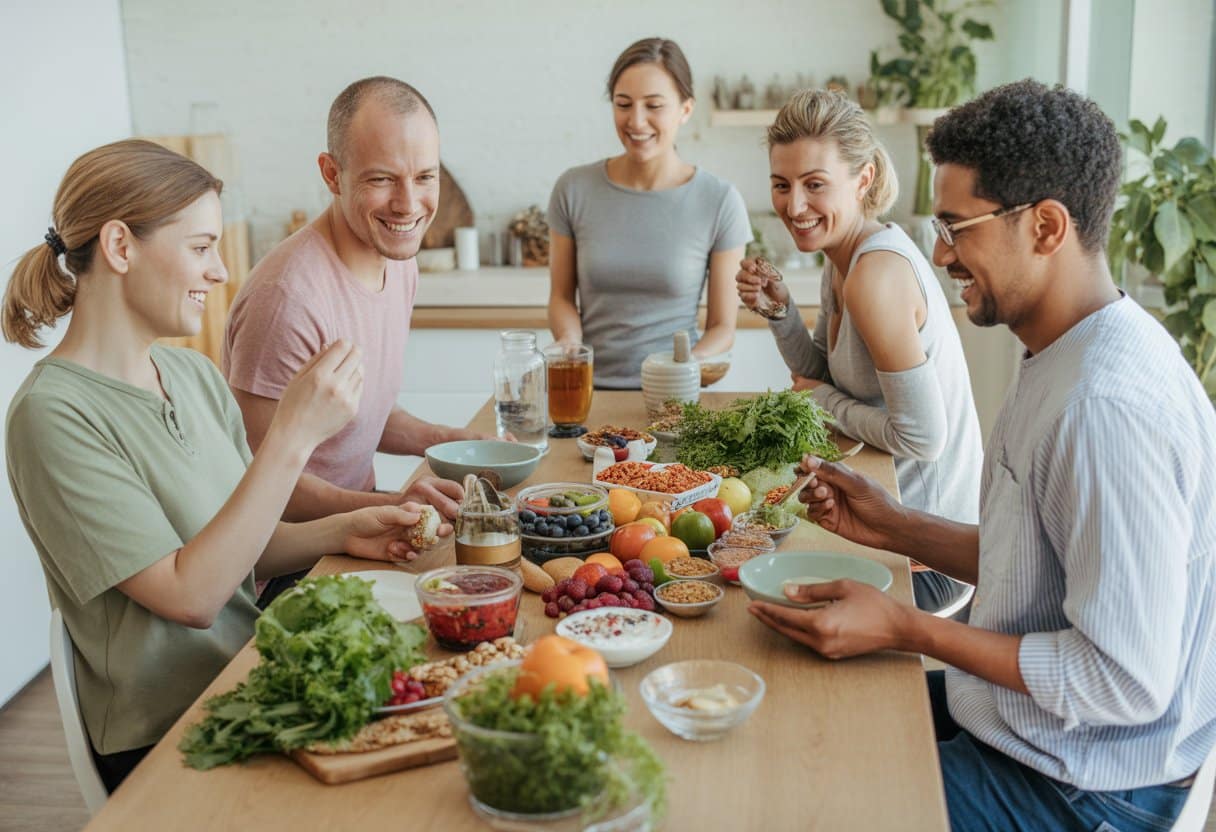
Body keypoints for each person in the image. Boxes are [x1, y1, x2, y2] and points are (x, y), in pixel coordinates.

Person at [749, 80, 1216, 831]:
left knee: (797, 797)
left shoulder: (1105, 408)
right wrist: (898, 527)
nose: (939, 253)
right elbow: (1045, 568)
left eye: (956, 226)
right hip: (1027, 729)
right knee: (786, 715)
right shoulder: (1069, 348)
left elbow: (1123, 682)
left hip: (1080, 786)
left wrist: (910, 629)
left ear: (1046, 226)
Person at [3, 140, 450, 792]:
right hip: (173, 734)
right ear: (121, 247)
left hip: (253, 678)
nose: (219, 273)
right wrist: (292, 436)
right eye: (201, 247)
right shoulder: (53, 416)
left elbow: (238, 544)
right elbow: (192, 595)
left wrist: (345, 532)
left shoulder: (187, 373)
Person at [736, 89, 982, 616]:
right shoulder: (841, 258)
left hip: (926, 561)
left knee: (749, 597)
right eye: (782, 185)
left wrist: (822, 399)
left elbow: (922, 439)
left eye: (815, 185)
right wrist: (782, 314)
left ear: (863, 178)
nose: (794, 206)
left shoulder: (876, 274)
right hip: (880, 515)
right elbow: (821, 374)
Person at [224, 76, 487, 524]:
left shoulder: (398, 260)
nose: (408, 205)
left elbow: (359, 419)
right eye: (383, 179)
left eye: (425, 177)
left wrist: (456, 441)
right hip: (294, 561)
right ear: (332, 174)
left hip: (361, 523)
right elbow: (262, 486)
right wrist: (394, 507)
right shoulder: (286, 299)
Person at [547, 37, 750, 389]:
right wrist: (569, 343)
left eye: (654, 105)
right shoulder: (573, 188)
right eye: (623, 104)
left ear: (686, 109)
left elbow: (722, 327)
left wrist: (684, 368)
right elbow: (562, 297)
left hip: (674, 396)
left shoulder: (719, 200)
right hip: (586, 393)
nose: (636, 121)